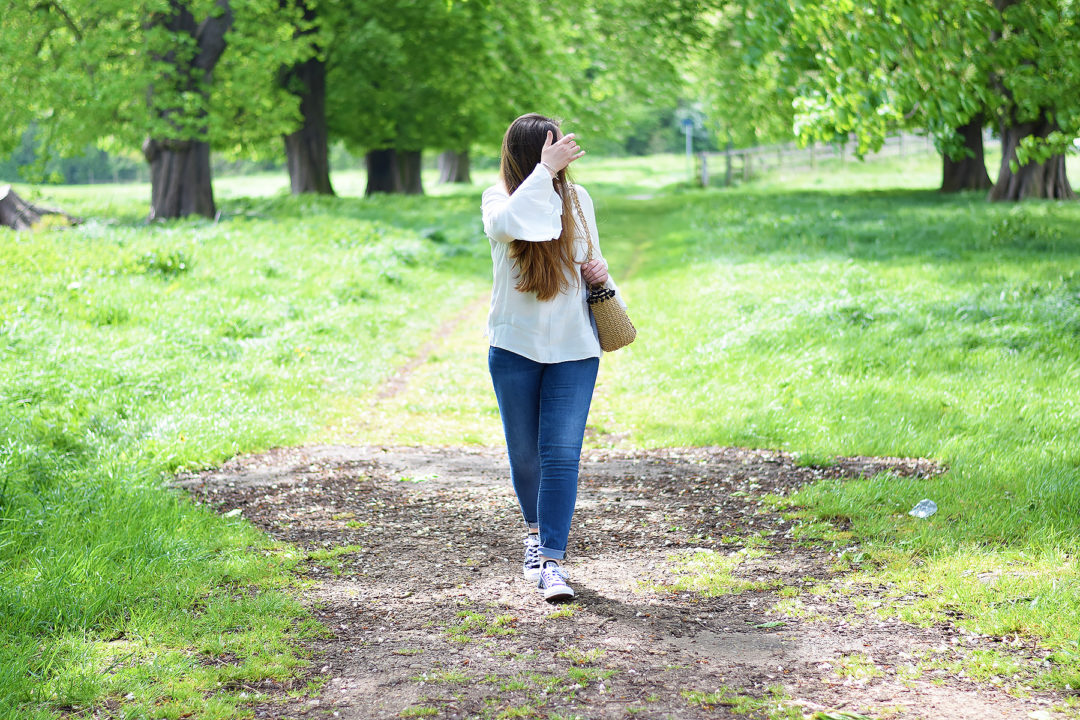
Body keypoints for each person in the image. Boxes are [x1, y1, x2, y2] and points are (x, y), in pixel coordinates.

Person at [481, 113, 625, 602]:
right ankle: (532, 532)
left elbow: (592, 259)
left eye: (561, 147)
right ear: (529, 153)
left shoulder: (579, 200)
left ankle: (551, 560)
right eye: (550, 147)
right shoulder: (499, 198)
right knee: (525, 455)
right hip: (514, 347)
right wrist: (543, 173)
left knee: (560, 455)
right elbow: (510, 225)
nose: (562, 153)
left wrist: (602, 276)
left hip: (574, 348)